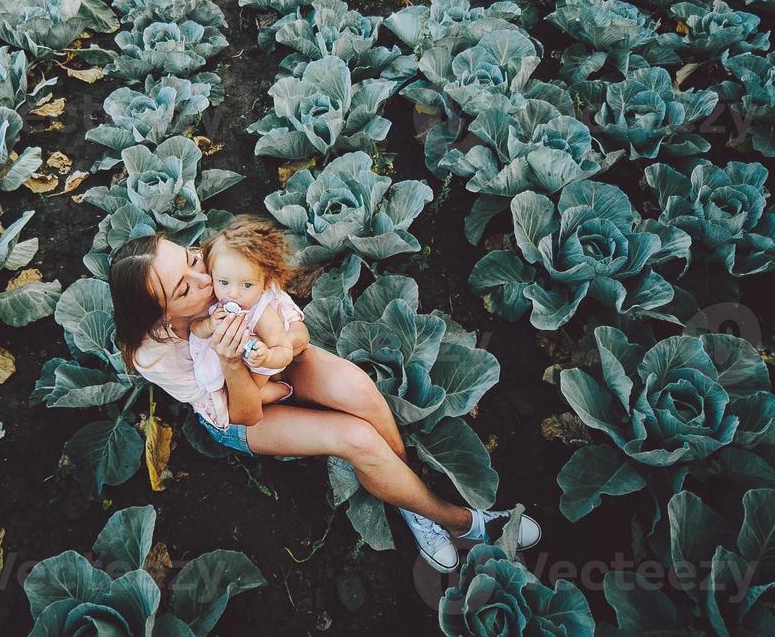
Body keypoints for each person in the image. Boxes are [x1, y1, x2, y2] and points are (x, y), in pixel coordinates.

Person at [110, 231, 541, 573]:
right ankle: (461, 522)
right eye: (185, 289)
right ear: (163, 316)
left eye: (189, 259)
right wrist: (232, 362)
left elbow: (297, 333)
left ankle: (408, 496)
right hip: (240, 410)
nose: (205, 281)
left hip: (277, 361)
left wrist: (277, 349)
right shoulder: (155, 354)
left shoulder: (220, 265)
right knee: (358, 440)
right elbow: (243, 413)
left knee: (361, 392)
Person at [189, 216, 311, 406]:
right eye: (223, 282)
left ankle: (278, 390)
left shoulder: (263, 314)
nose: (234, 293)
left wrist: (267, 356)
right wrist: (209, 324)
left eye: (247, 285)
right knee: (219, 388)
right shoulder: (214, 300)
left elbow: (284, 349)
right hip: (220, 358)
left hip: (254, 369)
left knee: (248, 394)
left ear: (265, 284)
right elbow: (195, 328)